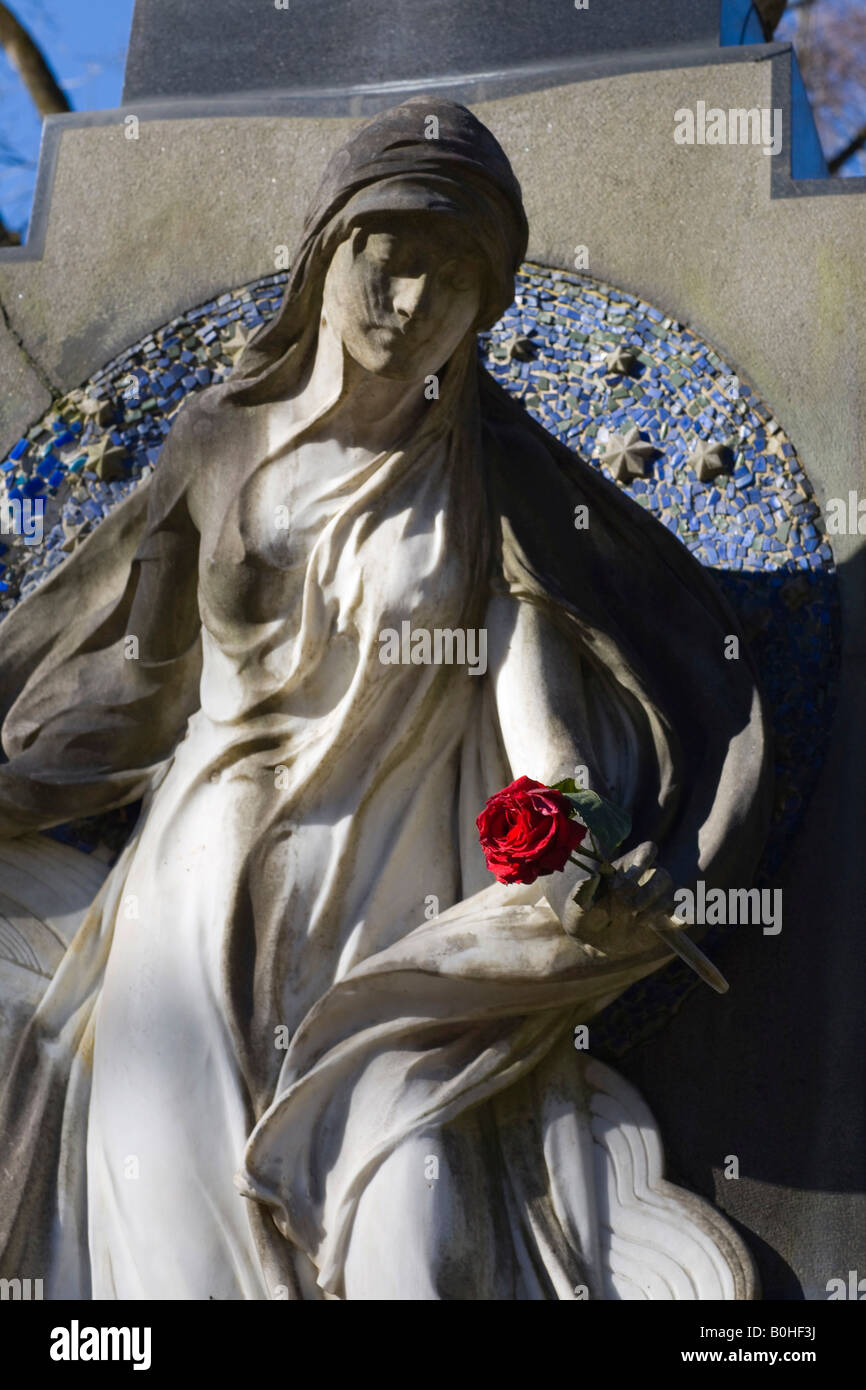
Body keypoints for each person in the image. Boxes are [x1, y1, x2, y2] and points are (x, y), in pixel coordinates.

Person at [0, 98, 770, 1299]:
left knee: (395, 1225)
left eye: (451, 281)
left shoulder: (493, 487)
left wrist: (570, 854)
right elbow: (142, 686)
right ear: (326, 258)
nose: (410, 302)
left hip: (389, 903)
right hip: (198, 889)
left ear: (485, 309)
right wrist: (19, 781)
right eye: (389, 261)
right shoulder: (214, 443)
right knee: (170, 1251)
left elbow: (541, 723)